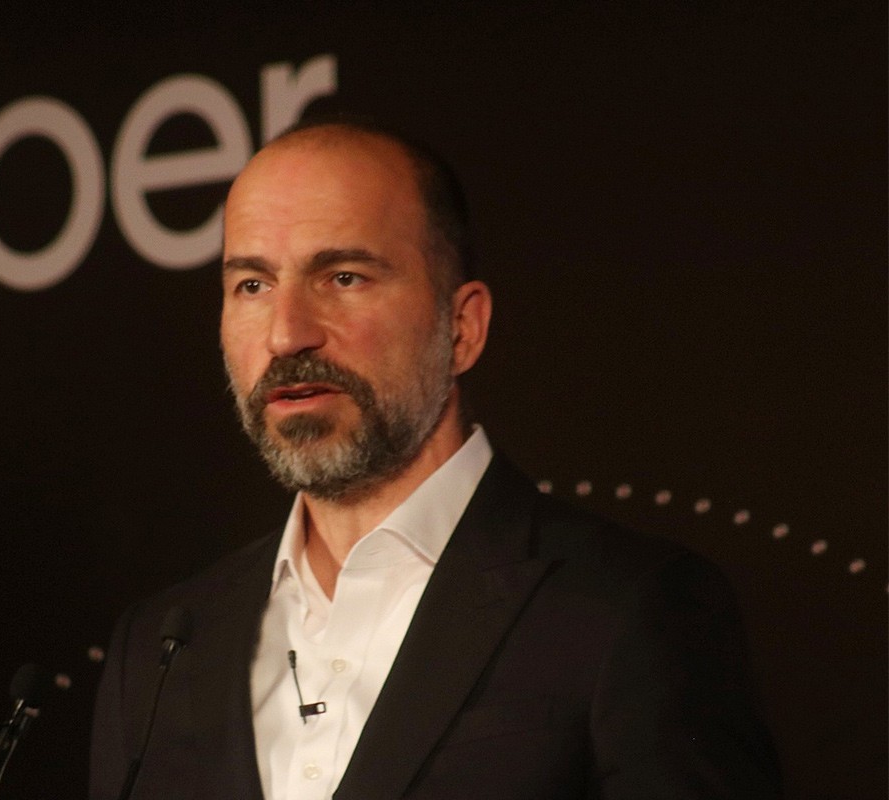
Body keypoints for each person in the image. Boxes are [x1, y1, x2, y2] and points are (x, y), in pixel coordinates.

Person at [89, 119, 781, 799]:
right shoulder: (159, 649)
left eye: (344, 277)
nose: (286, 333)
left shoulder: (626, 609)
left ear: (462, 327)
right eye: (252, 285)